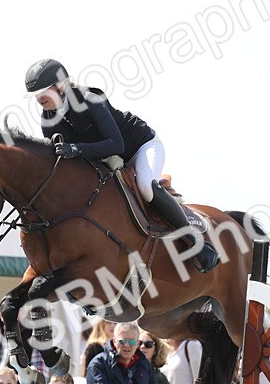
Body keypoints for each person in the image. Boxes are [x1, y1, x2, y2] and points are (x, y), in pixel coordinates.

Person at [24, 57, 218, 273]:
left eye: (44, 91)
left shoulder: (89, 98)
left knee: (145, 185)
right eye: (36, 95)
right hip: (105, 160)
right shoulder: (48, 119)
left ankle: (198, 244)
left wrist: (77, 149)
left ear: (61, 86)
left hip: (140, 147)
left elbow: (116, 144)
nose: (39, 99)